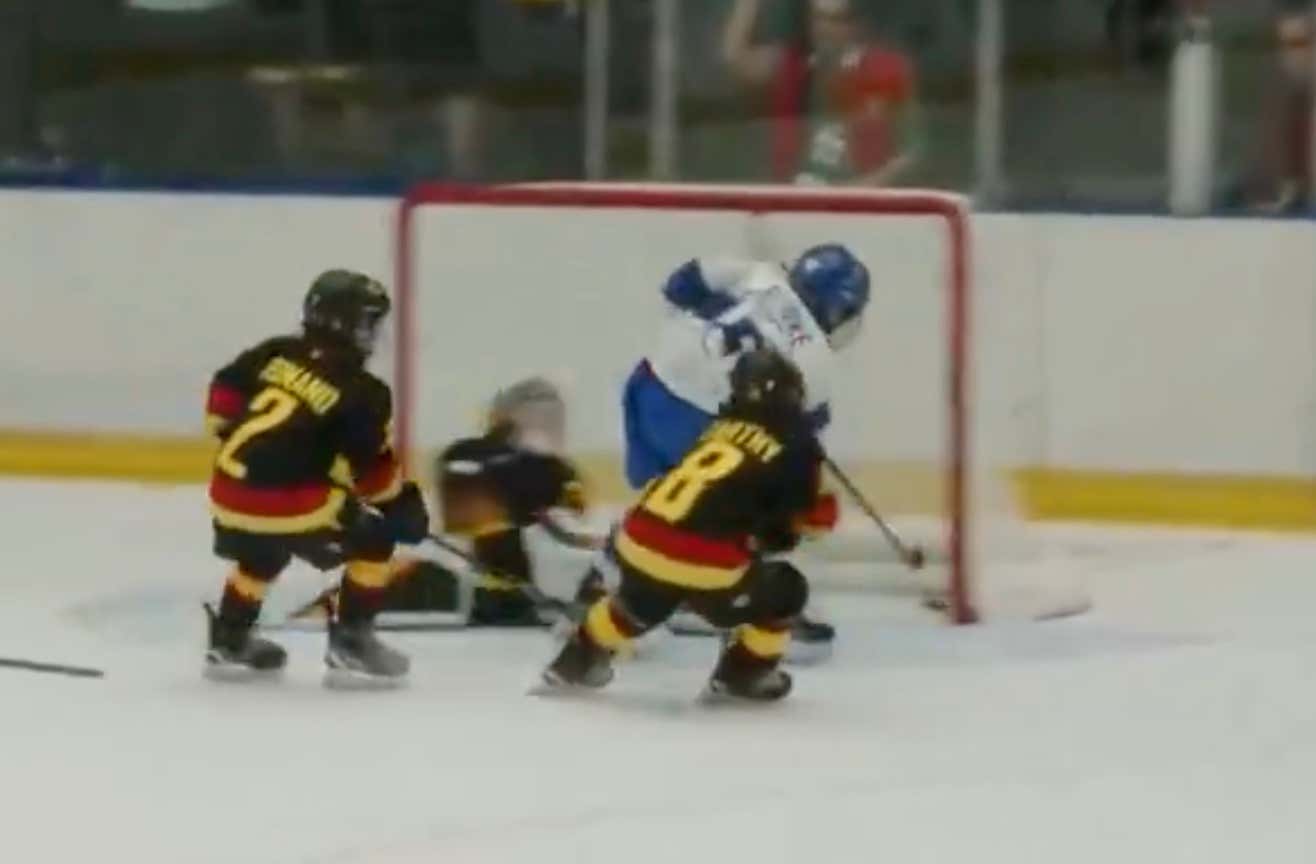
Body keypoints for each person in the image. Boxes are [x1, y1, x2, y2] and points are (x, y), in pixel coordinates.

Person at [543, 349, 838, 702]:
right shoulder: (796, 447)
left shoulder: (717, 430)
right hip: (704, 562)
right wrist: (816, 514)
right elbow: (785, 532)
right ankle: (746, 673)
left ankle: (576, 660)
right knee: (786, 589)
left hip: (635, 540)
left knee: (644, 598)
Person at [203, 269, 429, 686]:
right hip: (290, 502)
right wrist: (401, 507)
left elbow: (224, 391)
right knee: (375, 541)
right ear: (349, 324)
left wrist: (241, 436)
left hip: (225, 492)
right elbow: (372, 472)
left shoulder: (276, 351)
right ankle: (353, 642)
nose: (374, 333)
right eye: (370, 322)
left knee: (264, 551)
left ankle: (230, 636)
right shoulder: (365, 390)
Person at [289, 377, 592, 628]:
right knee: (411, 577)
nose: (541, 429)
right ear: (502, 419)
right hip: (441, 581)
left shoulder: (557, 473)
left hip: (505, 597)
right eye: (532, 420)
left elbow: (570, 528)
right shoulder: (469, 455)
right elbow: (471, 509)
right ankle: (316, 618)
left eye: (549, 421)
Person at [721, 0, 920, 186]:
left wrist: (858, 192)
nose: (824, 29)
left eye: (834, 20)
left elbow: (912, 152)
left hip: (860, 203)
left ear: (855, 25)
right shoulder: (794, 65)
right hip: (794, 202)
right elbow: (735, 58)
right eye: (818, 18)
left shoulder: (887, 69)